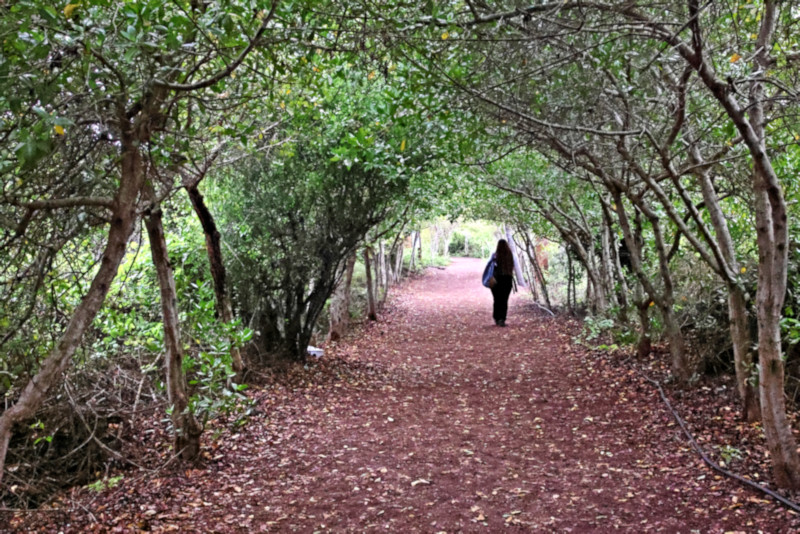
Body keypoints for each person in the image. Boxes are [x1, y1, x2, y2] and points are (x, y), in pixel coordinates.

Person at [490, 239, 515, 327]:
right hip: (507, 279)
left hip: (496, 280)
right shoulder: (510, 255)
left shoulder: (495, 256)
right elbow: (512, 267)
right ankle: (502, 319)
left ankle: (496, 318)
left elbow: (491, 268)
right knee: (504, 300)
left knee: (497, 299)